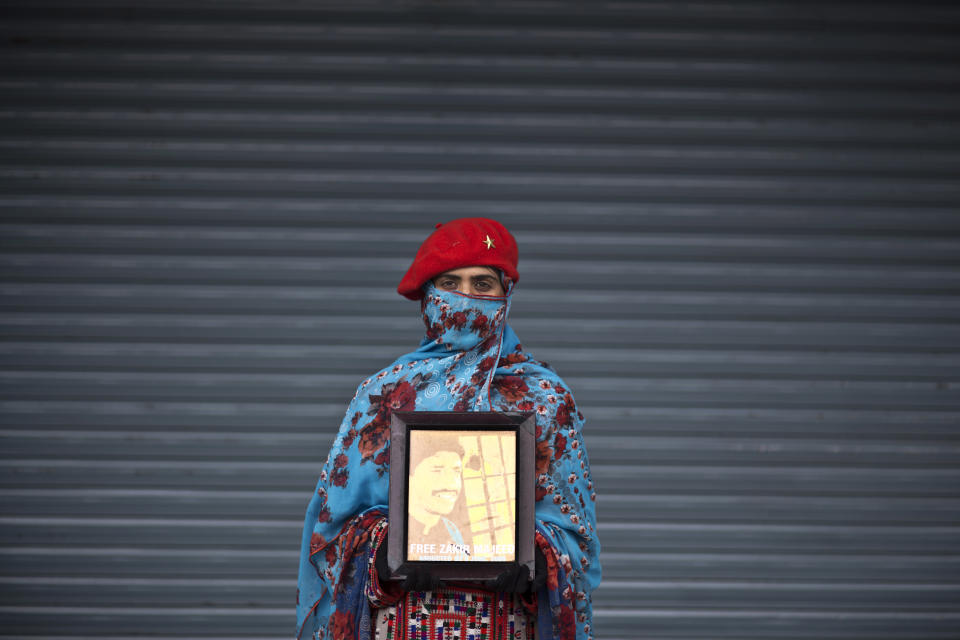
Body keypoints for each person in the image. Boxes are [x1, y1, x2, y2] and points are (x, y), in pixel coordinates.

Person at [296, 218, 601, 640]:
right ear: (428, 294)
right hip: (403, 624)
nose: (466, 297)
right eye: (450, 282)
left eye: (482, 284)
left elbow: (576, 536)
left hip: (509, 625)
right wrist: (387, 551)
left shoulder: (546, 399)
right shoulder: (383, 394)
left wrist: (539, 559)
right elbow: (332, 529)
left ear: (505, 292)